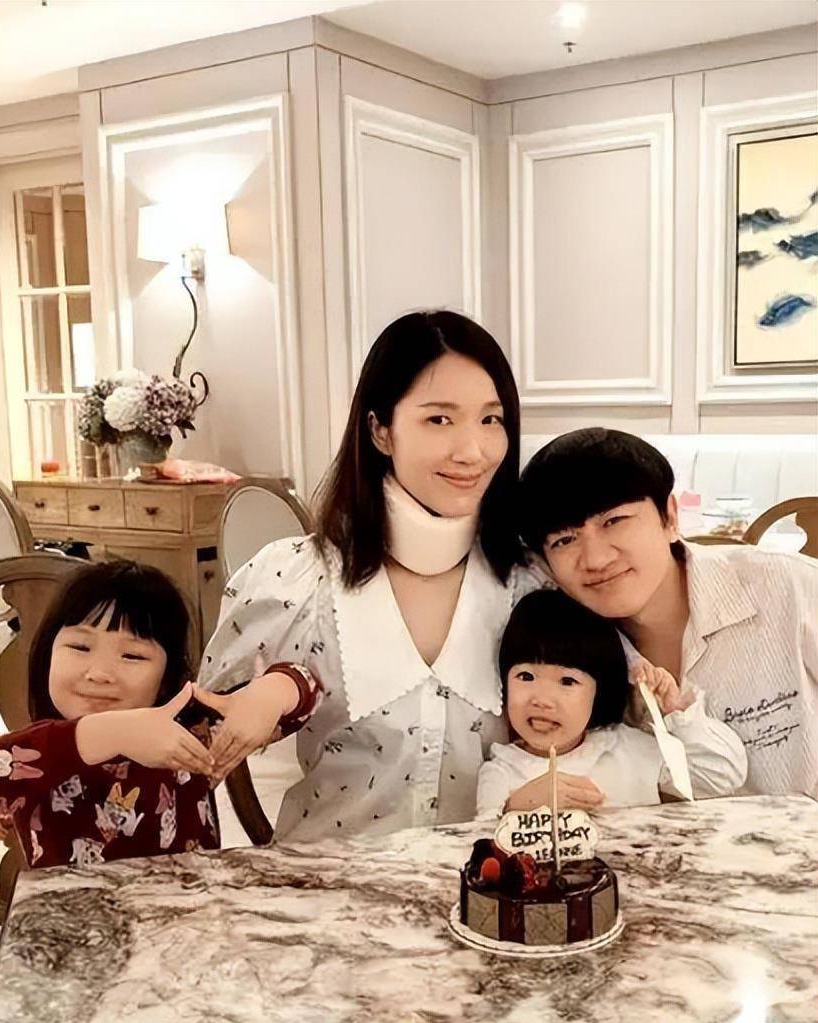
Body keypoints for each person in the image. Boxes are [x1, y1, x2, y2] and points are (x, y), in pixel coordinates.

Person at [197, 310, 542, 843]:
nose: (473, 451)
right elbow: (198, 734)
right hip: (330, 885)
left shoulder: (532, 586)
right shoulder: (293, 580)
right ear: (381, 431)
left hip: (491, 885)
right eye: (439, 420)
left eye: (491, 420)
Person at [516, 428, 818, 798]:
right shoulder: (565, 655)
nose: (595, 559)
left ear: (670, 517)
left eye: (614, 521)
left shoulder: (788, 586)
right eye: (564, 540)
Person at [0, 561, 317, 868]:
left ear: (167, 676)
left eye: (132, 656)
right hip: (75, 922)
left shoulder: (191, 730)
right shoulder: (40, 750)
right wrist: (110, 733)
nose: (100, 673)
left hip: (183, 916)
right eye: (80, 646)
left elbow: (305, 697)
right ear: (46, 654)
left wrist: (274, 692)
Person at [476, 589, 747, 819]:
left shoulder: (627, 748)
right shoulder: (501, 770)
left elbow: (721, 777)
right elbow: (481, 844)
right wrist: (517, 807)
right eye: (526, 676)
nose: (542, 699)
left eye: (567, 681)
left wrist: (677, 712)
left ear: (599, 691)